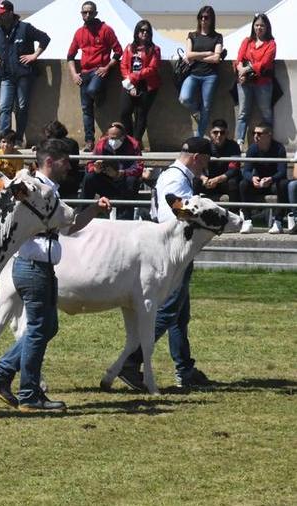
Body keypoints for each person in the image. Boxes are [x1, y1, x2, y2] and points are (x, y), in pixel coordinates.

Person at [0, 138, 111, 411]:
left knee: (46, 327)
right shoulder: (33, 189)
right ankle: (29, 394)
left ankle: (1, 374)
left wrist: (95, 209)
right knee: (40, 329)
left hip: (37, 266)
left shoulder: (48, 190)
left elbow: (70, 226)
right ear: (50, 161)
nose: (70, 167)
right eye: (66, 161)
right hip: (32, 266)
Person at [118, 137, 214, 391]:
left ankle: (185, 369)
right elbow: (172, 218)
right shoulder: (175, 179)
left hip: (176, 252)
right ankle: (130, 362)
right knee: (169, 310)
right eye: (206, 160)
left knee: (179, 315)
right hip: (172, 253)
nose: (207, 166)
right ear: (197, 157)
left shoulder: (177, 177)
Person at [0, 0, 50, 147]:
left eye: (2, 14)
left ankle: (17, 139)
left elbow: (45, 38)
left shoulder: (25, 28)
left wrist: (34, 55)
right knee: (4, 107)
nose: (0, 17)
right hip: (5, 74)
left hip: (23, 74)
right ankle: (4, 139)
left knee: (21, 107)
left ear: (11, 13)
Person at [67, 1, 122, 152]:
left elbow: (118, 51)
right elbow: (70, 56)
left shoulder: (106, 30)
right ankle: (89, 141)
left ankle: (100, 96)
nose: (87, 15)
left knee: (92, 91)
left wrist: (107, 67)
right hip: (84, 72)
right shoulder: (79, 32)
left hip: (99, 70)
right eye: (84, 12)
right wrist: (73, 74)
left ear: (96, 13)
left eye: (90, 12)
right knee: (86, 109)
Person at [80, 122, 143, 219]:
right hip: (106, 182)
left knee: (132, 181)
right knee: (89, 177)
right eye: (111, 138)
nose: (113, 141)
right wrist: (95, 169)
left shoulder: (133, 144)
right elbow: (90, 163)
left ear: (123, 136)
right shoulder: (102, 143)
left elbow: (138, 167)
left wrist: (120, 174)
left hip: (123, 183)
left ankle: (125, 219)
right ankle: (82, 213)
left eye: (116, 138)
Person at [179, 6, 223, 139]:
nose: (203, 20)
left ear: (211, 19)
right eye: (201, 17)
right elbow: (188, 54)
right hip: (193, 74)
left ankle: (199, 137)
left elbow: (216, 58)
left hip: (210, 76)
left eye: (206, 17)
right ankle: (195, 110)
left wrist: (196, 56)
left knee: (207, 107)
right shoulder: (192, 35)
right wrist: (206, 53)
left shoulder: (217, 37)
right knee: (184, 98)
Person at [234, 14, 276, 147]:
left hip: (262, 83)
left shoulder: (271, 44)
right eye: (257, 25)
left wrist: (245, 69)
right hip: (245, 82)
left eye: (262, 25)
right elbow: (239, 58)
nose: (259, 28)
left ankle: (268, 139)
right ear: (253, 26)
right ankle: (239, 141)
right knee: (243, 112)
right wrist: (241, 70)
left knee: (266, 112)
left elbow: (264, 63)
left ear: (267, 27)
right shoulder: (247, 41)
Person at [238, 122, 288, 234]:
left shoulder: (279, 148)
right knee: (243, 184)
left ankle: (278, 222)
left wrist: (271, 179)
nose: (256, 136)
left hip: (273, 183)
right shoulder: (252, 149)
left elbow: (282, 171)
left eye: (259, 134)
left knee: (283, 184)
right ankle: (247, 220)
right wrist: (252, 178)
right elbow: (246, 170)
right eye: (254, 133)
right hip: (259, 183)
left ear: (269, 135)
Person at [119, 20, 161, 147]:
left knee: (141, 114)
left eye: (147, 31)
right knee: (124, 112)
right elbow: (124, 65)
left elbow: (152, 68)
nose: (144, 33)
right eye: (141, 30)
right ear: (137, 32)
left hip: (147, 85)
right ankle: (130, 139)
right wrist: (130, 83)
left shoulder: (155, 49)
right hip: (130, 84)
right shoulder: (129, 48)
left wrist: (133, 77)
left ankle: (136, 142)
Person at [195, 119, 241, 204]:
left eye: (222, 132)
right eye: (215, 132)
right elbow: (197, 166)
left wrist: (217, 180)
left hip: (225, 182)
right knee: (196, 181)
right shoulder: (205, 146)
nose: (219, 135)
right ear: (211, 133)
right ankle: (192, 212)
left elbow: (233, 169)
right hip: (209, 182)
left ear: (227, 133)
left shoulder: (233, 146)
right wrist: (204, 178)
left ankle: (234, 214)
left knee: (233, 182)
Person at [43, 120, 83, 199]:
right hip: (72, 181)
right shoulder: (73, 142)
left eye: (48, 136)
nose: (46, 138)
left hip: (60, 181)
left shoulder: (53, 144)